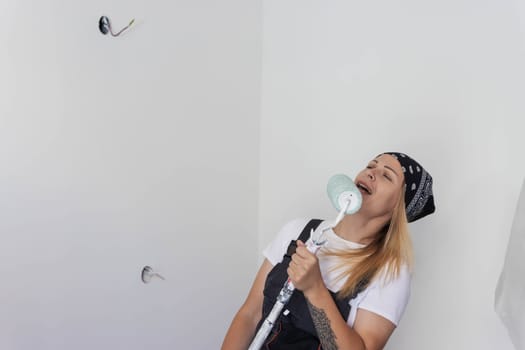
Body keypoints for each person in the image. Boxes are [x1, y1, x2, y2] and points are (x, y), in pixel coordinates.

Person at [221, 152, 435, 350]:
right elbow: (249, 315)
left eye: (386, 176)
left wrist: (314, 288)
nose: (371, 173)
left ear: (399, 206)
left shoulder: (391, 273)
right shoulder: (297, 230)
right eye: (371, 165)